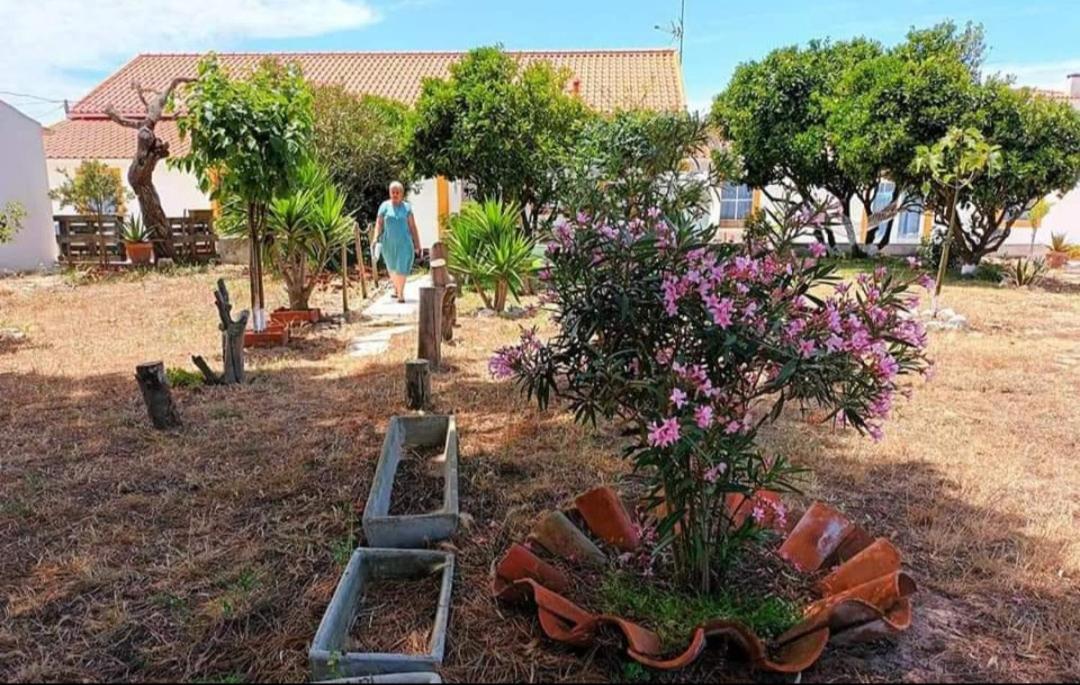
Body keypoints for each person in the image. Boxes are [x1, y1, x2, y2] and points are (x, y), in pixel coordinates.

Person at [374, 181, 422, 303]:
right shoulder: (384, 206)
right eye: (393, 192)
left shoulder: (407, 208)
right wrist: (375, 237)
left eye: (398, 192)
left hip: (404, 243)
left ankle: (400, 293)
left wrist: (417, 244)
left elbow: (412, 227)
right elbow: (379, 224)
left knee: (402, 267)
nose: (395, 194)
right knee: (391, 267)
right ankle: (397, 288)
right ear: (390, 193)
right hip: (388, 243)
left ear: (402, 194)